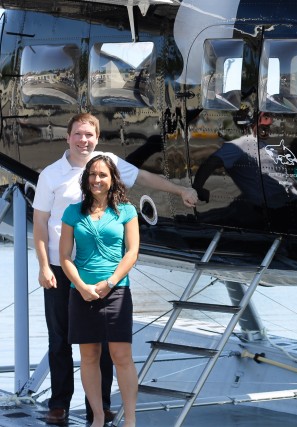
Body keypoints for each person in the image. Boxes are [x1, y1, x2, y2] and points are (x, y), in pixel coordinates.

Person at [32, 113, 198, 425]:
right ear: (68, 137)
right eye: (78, 135)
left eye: (89, 135)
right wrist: (43, 266)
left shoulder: (105, 163)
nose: (84, 141)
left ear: (96, 138)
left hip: (102, 273)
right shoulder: (51, 175)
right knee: (61, 340)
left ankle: (102, 407)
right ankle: (59, 403)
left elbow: (145, 178)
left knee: (103, 345)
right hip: (61, 266)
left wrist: (180, 191)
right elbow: (40, 223)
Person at [59, 155, 139, 427]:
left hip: (116, 292)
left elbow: (132, 252)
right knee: (89, 357)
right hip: (81, 293)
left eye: (103, 175)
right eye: (92, 174)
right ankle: (97, 418)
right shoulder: (73, 212)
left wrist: (110, 282)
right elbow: (65, 257)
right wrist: (81, 287)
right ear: (86, 178)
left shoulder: (127, 211)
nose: (97, 179)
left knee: (121, 357)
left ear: (112, 178)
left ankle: (130, 420)